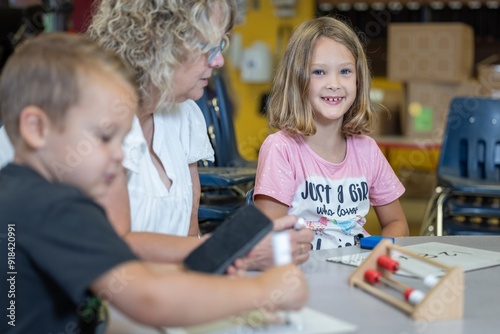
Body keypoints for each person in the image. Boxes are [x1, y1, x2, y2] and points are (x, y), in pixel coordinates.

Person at [0, 32, 308, 334]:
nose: (118, 154)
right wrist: (261, 290)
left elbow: (122, 275)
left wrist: (216, 282)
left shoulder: (18, 194)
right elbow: (148, 297)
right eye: (105, 137)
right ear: (36, 128)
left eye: (122, 139)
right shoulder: (58, 209)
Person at [253, 16, 409, 250]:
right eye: (319, 72)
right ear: (297, 80)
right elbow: (268, 237)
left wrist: (378, 254)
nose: (334, 83)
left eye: (345, 71)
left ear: (359, 79)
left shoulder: (367, 149)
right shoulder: (281, 149)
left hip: (354, 271)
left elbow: (398, 223)